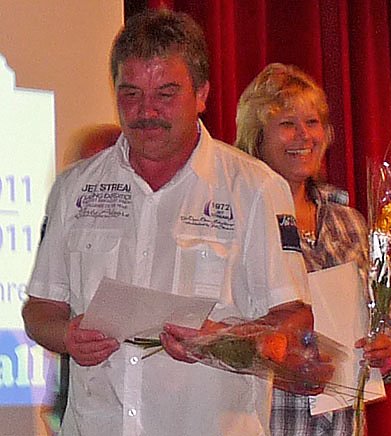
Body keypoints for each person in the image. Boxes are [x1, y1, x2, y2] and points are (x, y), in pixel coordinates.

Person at [22, 11, 313, 436]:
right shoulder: (74, 188)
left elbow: (296, 320)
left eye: (166, 93)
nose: (146, 111)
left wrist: (221, 341)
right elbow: (40, 310)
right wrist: (67, 335)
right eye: (131, 94)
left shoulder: (255, 188)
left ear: (202, 94)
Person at [236, 63, 391, 436]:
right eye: (287, 124)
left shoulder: (350, 222)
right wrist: (277, 357)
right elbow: (224, 334)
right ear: (257, 137)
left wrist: (387, 350)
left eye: (312, 122)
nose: (304, 136)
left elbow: (383, 319)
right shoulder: (241, 219)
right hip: (271, 424)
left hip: (342, 426)